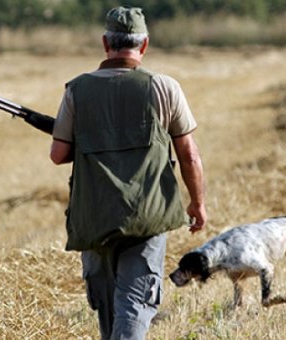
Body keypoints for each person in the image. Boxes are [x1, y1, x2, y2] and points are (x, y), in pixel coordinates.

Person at [49, 6, 207, 339]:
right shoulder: (164, 87)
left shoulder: (76, 90)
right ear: (144, 45)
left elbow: (58, 154)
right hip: (145, 218)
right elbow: (189, 154)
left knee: (108, 311)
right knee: (134, 305)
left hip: (93, 216)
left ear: (106, 43)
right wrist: (197, 203)